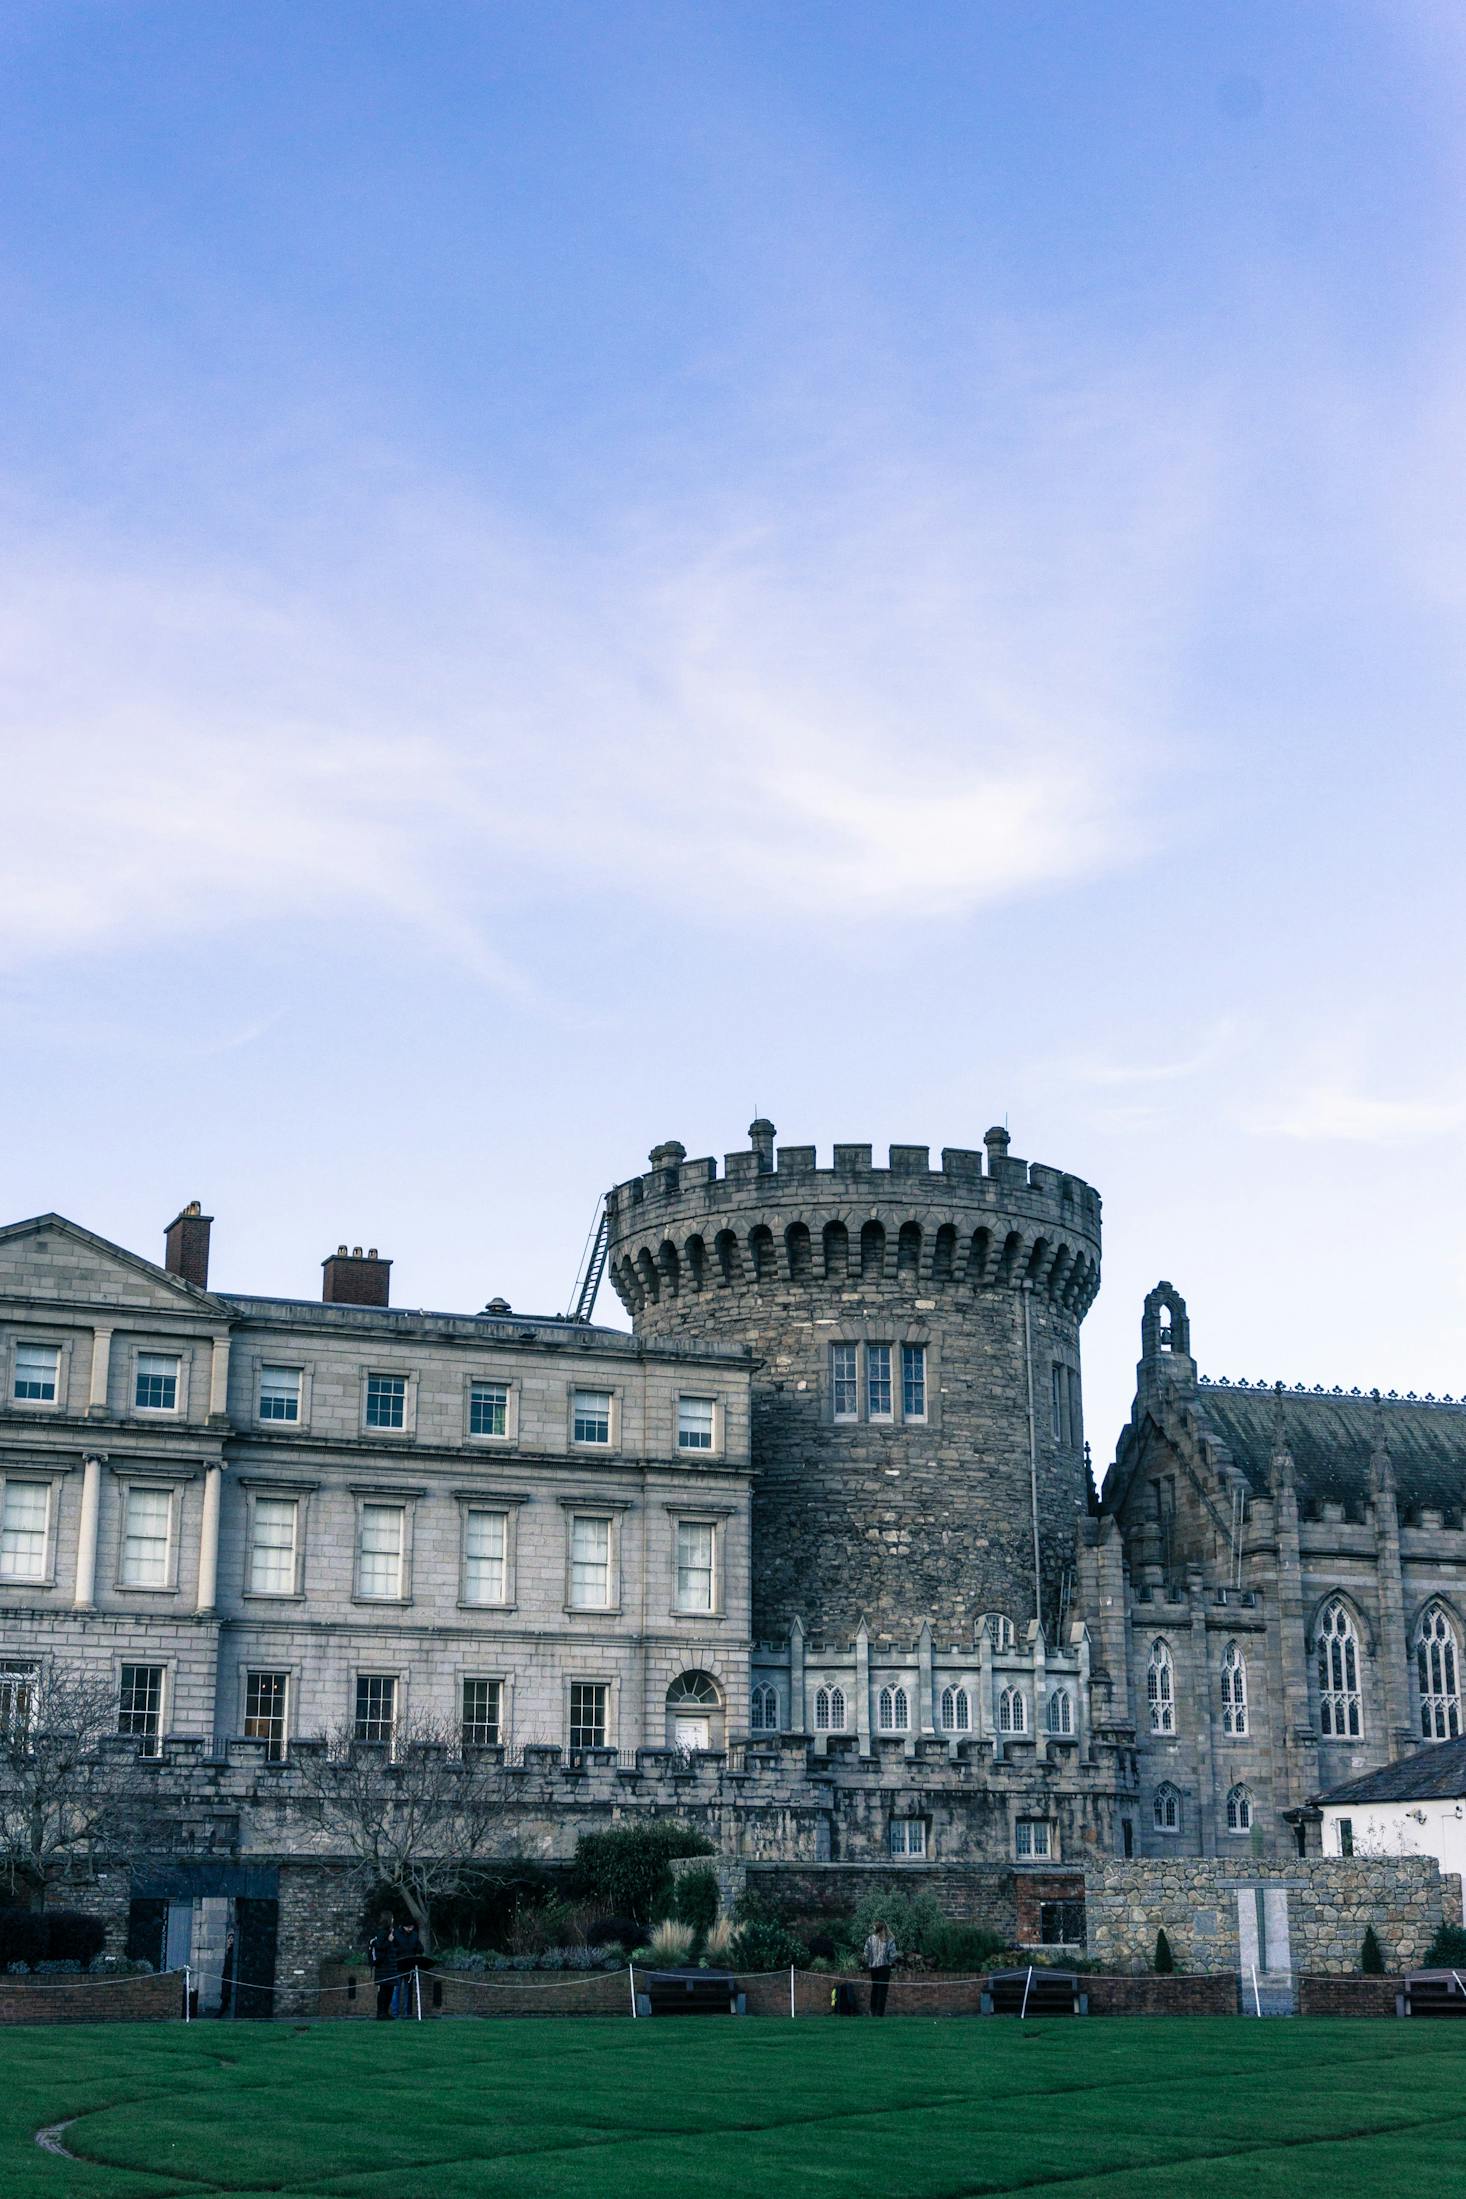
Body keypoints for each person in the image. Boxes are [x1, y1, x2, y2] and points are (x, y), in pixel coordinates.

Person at [863, 1918, 899, 2016]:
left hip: (873, 1967)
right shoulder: (889, 1940)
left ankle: (872, 2011)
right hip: (884, 1967)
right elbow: (893, 1955)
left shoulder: (870, 1939)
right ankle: (879, 2013)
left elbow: (866, 1953)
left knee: (875, 1989)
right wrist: (890, 1962)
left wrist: (869, 1961)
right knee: (882, 1990)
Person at [368, 1915, 399, 2020]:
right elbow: (380, 1947)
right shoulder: (382, 1932)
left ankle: (385, 2012)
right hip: (384, 1966)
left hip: (390, 1966)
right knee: (384, 1990)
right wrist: (389, 1941)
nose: (393, 1920)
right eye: (392, 1918)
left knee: (389, 1990)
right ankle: (381, 2013)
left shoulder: (390, 1932)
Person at [393, 1920, 423, 2017]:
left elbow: (419, 1946)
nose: (411, 1929)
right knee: (396, 1990)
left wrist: (419, 1949)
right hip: (398, 1965)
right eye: (409, 1927)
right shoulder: (396, 1934)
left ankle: (407, 2013)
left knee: (408, 1990)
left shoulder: (414, 1935)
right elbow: (392, 1948)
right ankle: (395, 2012)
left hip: (409, 1966)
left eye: (412, 1927)